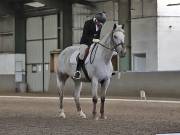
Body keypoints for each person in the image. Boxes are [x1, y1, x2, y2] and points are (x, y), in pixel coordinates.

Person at [73, 12, 107, 79]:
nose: (101, 25)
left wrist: (98, 41)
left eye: (102, 23)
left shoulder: (100, 25)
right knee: (82, 53)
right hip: (85, 42)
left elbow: (98, 36)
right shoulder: (88, 23)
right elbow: (85, 35)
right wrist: (93, 40)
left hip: (94, 43)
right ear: (96, 20)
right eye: (100, 23)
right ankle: (77, 71)